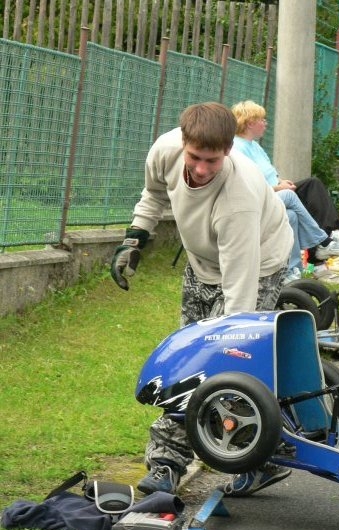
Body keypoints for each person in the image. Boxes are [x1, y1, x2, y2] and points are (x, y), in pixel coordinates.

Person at [110, 102, 293, 497]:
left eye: (213, 160)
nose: (202, 168)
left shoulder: (238, 197)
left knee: (212, 364)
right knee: (188, 360)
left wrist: (228, 347)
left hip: (258, 264)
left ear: (229, 149)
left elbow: (239, 300)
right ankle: (269, 453)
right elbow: (153, 194)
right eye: (195, 157)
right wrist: (134, 238)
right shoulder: (165, 150)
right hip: (202, 262)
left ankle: (169, 463)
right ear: (183, 142)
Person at [231, 100, 339, 285]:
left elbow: (269, 174)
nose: (266, 123)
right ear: (250, 123)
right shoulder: (237, 148)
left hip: (274, 193)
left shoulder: (255, 146)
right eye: (262, 120)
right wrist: (278, 188)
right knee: (290, 195)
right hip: (259, 199)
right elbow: (248, 184)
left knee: (308, 192)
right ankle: (323, 243)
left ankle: (294, 271)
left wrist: (281, 182)